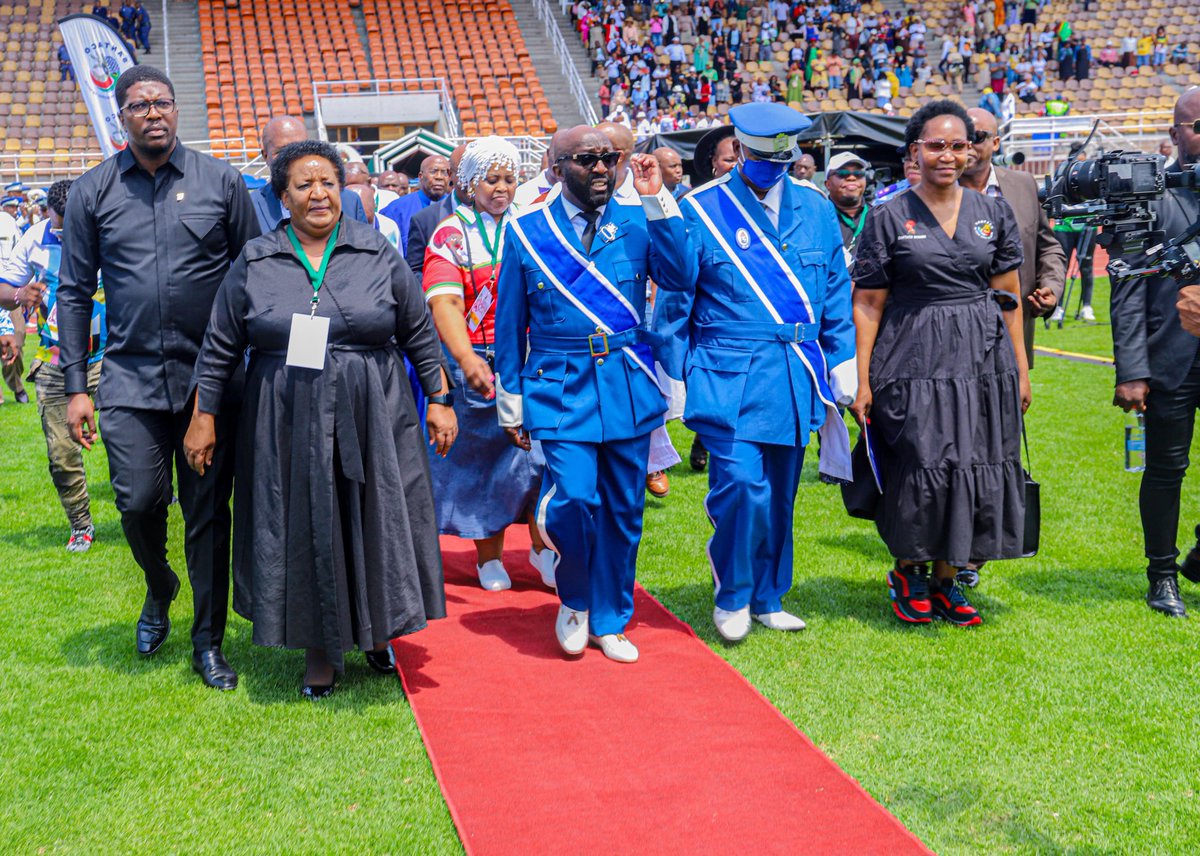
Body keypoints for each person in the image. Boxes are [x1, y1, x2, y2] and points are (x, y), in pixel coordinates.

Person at [184, 140, 455, 697]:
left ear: (343, 189)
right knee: (303, 522)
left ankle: (379, 633)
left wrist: (441, 397)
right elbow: (219, 345)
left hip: (374, 409)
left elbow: (418, 331)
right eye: (304, 185)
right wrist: (203, 414)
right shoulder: (256, 258)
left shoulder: (375, 249)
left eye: (328, 182)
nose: (318, 194)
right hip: (284, 416)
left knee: (377, 513)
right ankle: (319, 651)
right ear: (283, 197)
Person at [57, 65, 261, 690]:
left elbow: (254, 271)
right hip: (129, 378)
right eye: (140, 105)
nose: (153, 113)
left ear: (177, 111)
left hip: (211, 380)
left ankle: (207, 641)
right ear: (122, 116)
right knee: (138, 500)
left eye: (163, 102)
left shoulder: (220, 181)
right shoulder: (94, 192)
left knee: (207, 512)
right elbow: (70, 293)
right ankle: (158, 583)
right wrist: (74, 387)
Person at [654, 102, 856, 642]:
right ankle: (734, 594)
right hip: (728, 374)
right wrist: (673, 377)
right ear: (740, 151)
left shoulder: (815, 208)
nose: (773, 170)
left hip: (793, 375)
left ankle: (769, 595)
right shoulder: (700, 209)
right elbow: (677, 298)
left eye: (782, 161)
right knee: (742, 487)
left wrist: (843, 359)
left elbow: (834, 289)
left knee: (782, 493)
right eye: (762, 160)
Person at [492, 125, 689, 663]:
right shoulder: (527, 231)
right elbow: (510, 324)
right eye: (587, 159)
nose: (601, 168)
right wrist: (511, 401)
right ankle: (574, 599)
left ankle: (611, 617)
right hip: (558, 386)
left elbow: (680, 275)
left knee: (625, 510)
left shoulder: (639, 220)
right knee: (575, 500)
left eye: (610, 157)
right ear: (555, 169)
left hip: (625, 382)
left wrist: (657, 202)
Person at [850, 99, 1029, 627]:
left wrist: (1018, 369)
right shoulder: (886, 216)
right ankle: (910, 570)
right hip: (911, 357)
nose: (948, 155)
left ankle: (950, 579)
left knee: (975, 461)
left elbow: (1009, 298)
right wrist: (862, 380)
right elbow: (867, 303)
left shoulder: (993, 213)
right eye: (936, 145)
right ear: (914, 152)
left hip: (982, 359)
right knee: (921, 461)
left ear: (972, 149)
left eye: (958, 145)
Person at [422, 137, 554, 591]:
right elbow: (444, 304)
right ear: (468, 183)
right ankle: (488, 557)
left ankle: (543, 550)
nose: (502, 188)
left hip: (535, 358)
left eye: (509, 179)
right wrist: (464, 357)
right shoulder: (451, 235)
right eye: (491, 179)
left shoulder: (532, 224)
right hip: (477, 362)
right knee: (482, 463)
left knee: (541, 459)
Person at [1110, 89, 1200, 618]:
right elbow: (1126, 290)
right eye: (1197, 125)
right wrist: (1133, 370)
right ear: (1174, 134)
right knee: (1166, 469)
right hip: (1169, 358)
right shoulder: (1147, 196)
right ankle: (1162, 575)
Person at [0, 180, 106, 551]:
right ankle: (81, 524)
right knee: (62, 454)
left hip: (114, 357)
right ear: (49, 213)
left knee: (134, 443)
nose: (66, 230)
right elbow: (4, 288)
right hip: (55, 360)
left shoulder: (110, 229)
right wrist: (17, 294)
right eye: (60, 223)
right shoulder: (34, 238)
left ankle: (152, 503)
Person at [961, 108, 1065, 367]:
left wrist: (1051, 288)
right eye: (961, 138)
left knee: (1011, 408)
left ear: (996, 143)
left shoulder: (1024, 185)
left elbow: (1048, 247)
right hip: (956, 337)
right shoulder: (937, 192)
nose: (968, 145)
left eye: (977, 136)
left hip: (1014, 334)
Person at [250, 116, 366, 233]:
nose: (291, 157)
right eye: (282, 151)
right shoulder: (249, 207)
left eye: (300, 149)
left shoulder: (350, 202)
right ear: (265, 156)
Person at [406, 145, 468, 276]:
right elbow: (415, 270)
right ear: (452, 175)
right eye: (434, 171)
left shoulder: (501, 214)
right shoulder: (422, 219)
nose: (439, 177)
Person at [379, 154, 452, 258]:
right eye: (433, 171)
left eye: (444, 172)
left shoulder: (458, 208)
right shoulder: (396, 210)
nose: (439, 177)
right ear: (420, 176)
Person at [824, 151, 870, 265]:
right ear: (828, 184)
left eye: (858, 173)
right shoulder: (818, 218)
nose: (852, 177)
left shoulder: (878, 216)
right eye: (843, 173)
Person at [346, 183, 400, 251]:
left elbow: (392, 258)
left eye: (365, 219)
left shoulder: (388, 227)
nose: (360, 223)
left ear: (375, 205)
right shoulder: (335, 225)